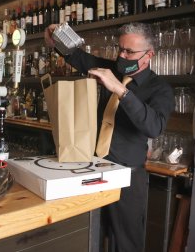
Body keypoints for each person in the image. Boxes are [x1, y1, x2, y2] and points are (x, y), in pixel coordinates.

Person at [45, 22, 174, 252]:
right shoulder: (112, 68)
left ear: (149, 55)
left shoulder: (160, 89)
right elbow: (77, 57)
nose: (122, 56)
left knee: (125, 244)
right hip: (94, 169)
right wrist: (56, 38)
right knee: (88, 234)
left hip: (128, 177)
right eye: (120, 49)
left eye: (129, 52)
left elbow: (154, 126)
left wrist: (120, 90)